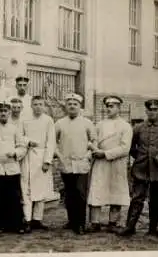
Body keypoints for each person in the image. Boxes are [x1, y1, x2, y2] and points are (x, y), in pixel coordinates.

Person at [119, 99, 158, 238]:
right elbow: (131, 147)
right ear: (146, 111)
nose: (152, 112)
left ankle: (153, 228)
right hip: (141, 169)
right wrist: (140, 158)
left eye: (155, 109)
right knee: (137, 198)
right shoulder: (138, 128)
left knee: (156, 199)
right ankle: (130, 227)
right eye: (150, 109)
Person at [87, 96, 133, 233]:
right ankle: (95, 222)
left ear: (119, 108)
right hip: (100, 163)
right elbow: (94, 140)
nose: (109, 109)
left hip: (116, 163)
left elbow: (125, 148)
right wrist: (95, 151)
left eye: (112, 106)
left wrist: (106, 154)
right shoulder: (99, 125)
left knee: (116, 190)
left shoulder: (125, 126)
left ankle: (113, 222)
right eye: (107, 106)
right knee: (97, 188)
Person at [54, 93, 96, 235]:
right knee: (69, 193)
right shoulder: (59, 123)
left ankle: (80, 224)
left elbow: (94, 141)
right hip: (66, 164)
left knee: (80, 193)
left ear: (80, 107)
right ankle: (71, 221)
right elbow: (52, 141)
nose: (72, 106)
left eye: (75, 104)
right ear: (66, 106)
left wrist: (88, 155)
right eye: (69, 104)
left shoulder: (87, 123)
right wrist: (59, 156)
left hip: (81, 163)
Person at [0, 102, 27, 234]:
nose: (3, 113)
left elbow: (22, 146)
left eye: (6, 111)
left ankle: (16, 224)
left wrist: (15, 153)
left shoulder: (14, 129)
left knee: (14, 197)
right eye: (1, 111)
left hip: (12, 167)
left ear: (9, 113)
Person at [20, 96, 56, 232]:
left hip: (41, 157)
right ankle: (27, 220)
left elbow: (51, 141)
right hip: (28, 156)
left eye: (40, 104)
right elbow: (19, 136)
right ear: (31, 105)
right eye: (35, 104)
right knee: (27, 189)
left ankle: (37, 219)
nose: (38, 107)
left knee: (40, 189)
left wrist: (47, 160)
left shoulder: (48, 120)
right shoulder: (25, 119)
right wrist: (27, 141)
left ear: (44, 105)